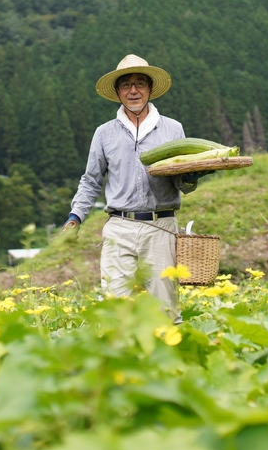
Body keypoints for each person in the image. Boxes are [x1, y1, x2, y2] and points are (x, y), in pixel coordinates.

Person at [63, 54, 209, 322]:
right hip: (120, 226)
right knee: (116, 309)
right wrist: (76, 216)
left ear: (150, 89)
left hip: (161, 227)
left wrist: (192, 176)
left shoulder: (173, 129)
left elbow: (182, 182)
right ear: (118, 92)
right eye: (126, 85)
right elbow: (91, 180)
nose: (133, 90)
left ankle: (168, 361)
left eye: (140, 83)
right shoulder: (104, 133)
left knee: (166, 310)